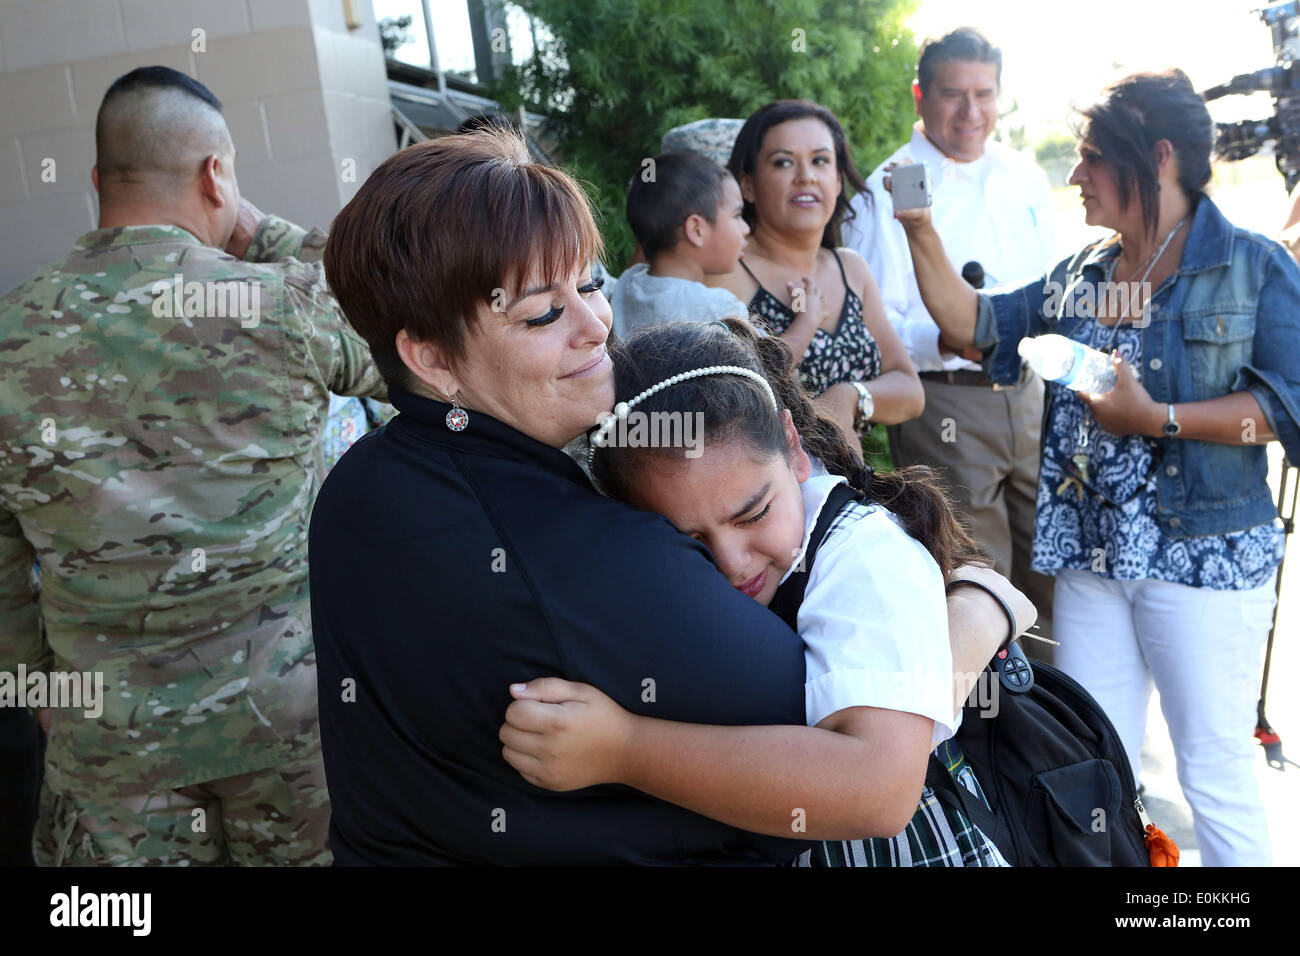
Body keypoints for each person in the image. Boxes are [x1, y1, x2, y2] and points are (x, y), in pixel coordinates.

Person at [311, 126, 1024, 865]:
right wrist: (978, 610)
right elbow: (865, 762)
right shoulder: (577, 552)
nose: (595, 326)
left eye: (588, 284)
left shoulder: (360, 485)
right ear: (429, 357)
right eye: (542, 313)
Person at [894, 68, 1300, 867]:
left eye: (1089, 158)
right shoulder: (1083, 271)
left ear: (1156, 159)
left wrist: (1158, 419)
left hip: (1204, 561)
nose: (1074, 175)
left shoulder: (1252, 267)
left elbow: (1290, 405)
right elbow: (977, 328)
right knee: (1093, 769)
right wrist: (917, 227)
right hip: (1090, 561)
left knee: (1212, 772)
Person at [0, 66, 385, 866]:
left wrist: (38, 693)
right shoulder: (278, 304)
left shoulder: (10, 339)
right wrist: (261, 229)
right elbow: (398, 333)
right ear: (217, 175)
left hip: (109, 747)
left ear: (96, 181)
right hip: (287, 728)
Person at [502, 318, 1034, 866]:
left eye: (754, 513)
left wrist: (623, 749)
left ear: (793, 447)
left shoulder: (863, 556)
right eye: (687, 541)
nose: (732, 562)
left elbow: (879, 789)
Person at [842, 27, 1058, 653]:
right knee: (980, 589)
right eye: (951, 95)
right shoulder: (884, 191)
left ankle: (1062, 733)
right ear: (919, 96)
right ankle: (998, 737)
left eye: (983, 94)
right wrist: (946, 336)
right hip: (946, 403)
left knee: (1056, 579)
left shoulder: (1025, 176)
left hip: (1033, 394)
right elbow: (871, 322)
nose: (970, 113)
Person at [709, 100, 924, 444]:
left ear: (837, 181)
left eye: (820, 161)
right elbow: (716, 402)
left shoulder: (850, 268)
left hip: (848, 483)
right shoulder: (726, 274)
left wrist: (851, 396)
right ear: (747, 185)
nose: (806, 176)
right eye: (783, 162)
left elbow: (910, 390)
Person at [608, 151, 751, 337]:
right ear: (696, 230)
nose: (746, 228)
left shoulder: (627, 284)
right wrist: (803, 320)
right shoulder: (720, 307)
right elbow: (769, 363)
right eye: (737, 216)